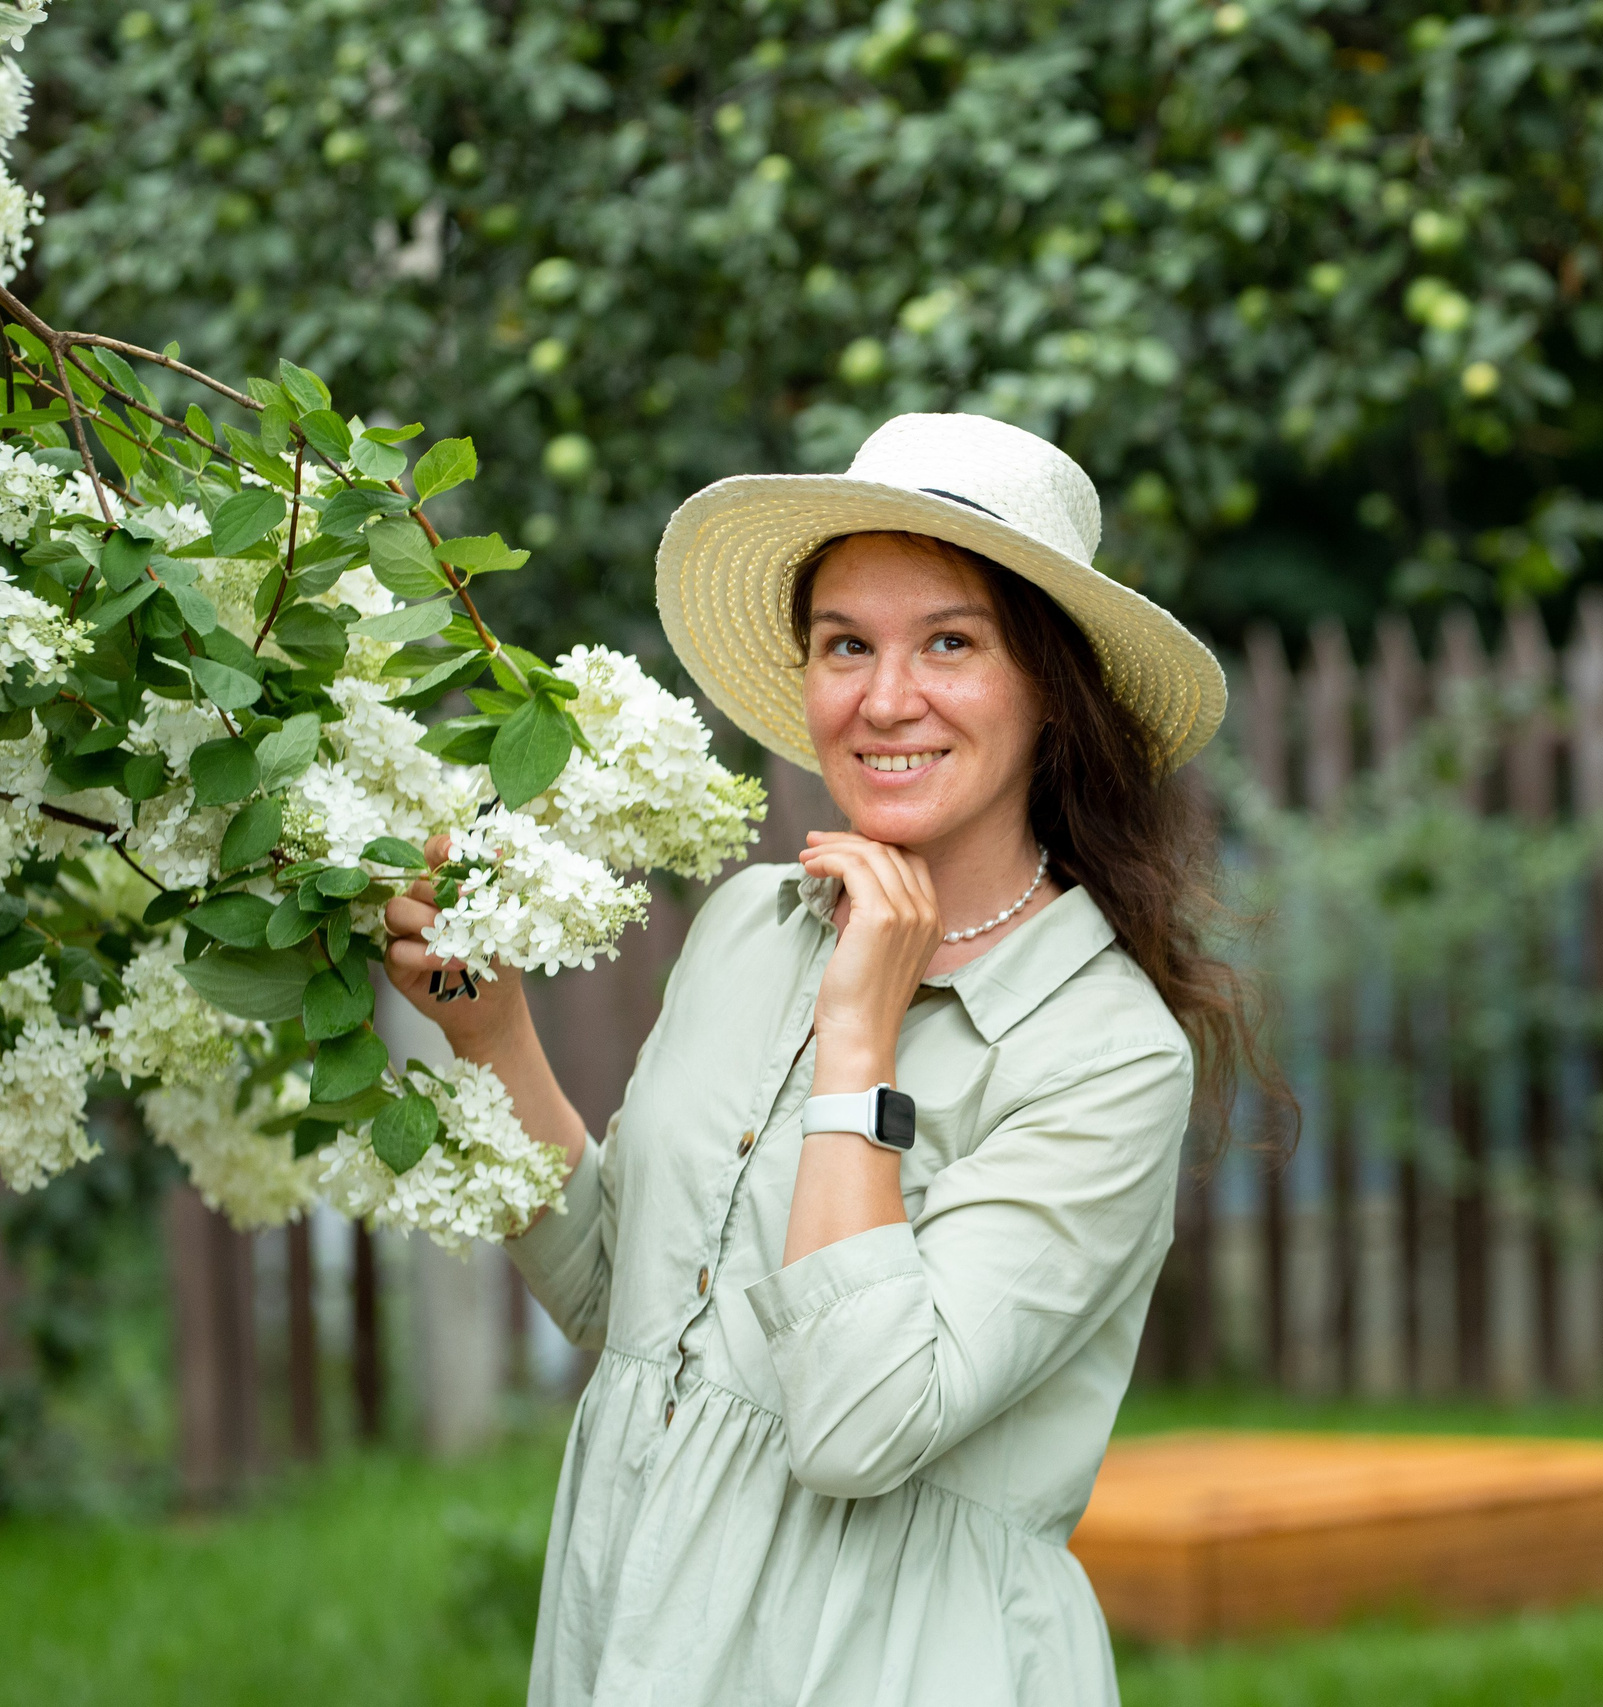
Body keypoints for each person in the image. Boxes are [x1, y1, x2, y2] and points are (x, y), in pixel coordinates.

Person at [382, 412, 1262, 1706]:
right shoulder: (749, 927)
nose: (883, 697)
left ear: (1047, 689)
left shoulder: (1106, 1055)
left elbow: (860, 1425)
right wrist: (491, 1032)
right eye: (845, 644)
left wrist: (861, 1037)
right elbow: (620, 1301)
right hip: (638, 1632)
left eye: (949, 643)